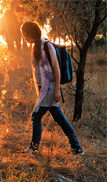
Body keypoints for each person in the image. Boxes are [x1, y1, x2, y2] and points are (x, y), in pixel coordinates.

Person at [20, 21, 84, 155]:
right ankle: (77, 148)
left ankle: (33, 148)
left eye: (25, 35)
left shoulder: (47, 46)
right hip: (44, 89)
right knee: (60, 119)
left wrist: (57, 91)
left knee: (36, 117)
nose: (25, 38)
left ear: (31, 34)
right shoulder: (35, 47)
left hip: (50, 89)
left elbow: (56, 69)